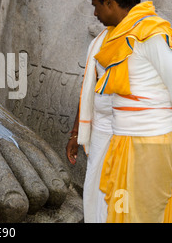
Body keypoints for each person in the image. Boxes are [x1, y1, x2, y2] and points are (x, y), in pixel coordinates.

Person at [76, 0, 172, 223]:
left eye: (96, 5)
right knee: (123, 212)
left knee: (141, 215)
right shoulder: (116, 36)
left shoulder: (149, 34)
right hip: (126, 139)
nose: (94, 12)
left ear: (110, 2)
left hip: (149, 142)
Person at [66, 26, 113, 223]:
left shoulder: (144, 39)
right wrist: (76, 133)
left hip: (132, 134)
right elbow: (88, 88)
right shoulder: (101, 40)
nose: (95, 13)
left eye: (98, 5)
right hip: (100, 133)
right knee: (95, 190)